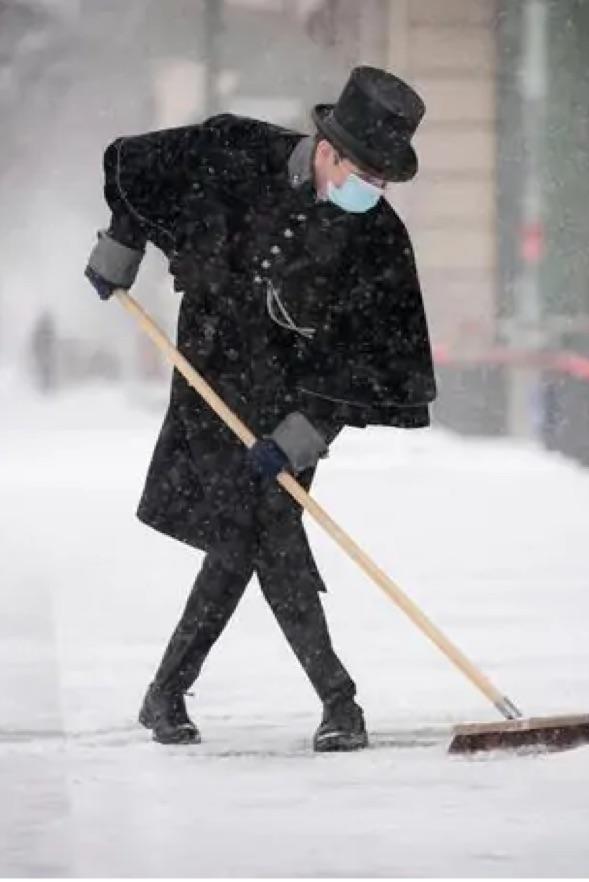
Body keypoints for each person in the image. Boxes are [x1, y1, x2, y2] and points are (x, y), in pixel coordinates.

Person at [84, 66, 436, 751]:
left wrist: (304, 433)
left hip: (291, 399)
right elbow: (135, 166)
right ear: (328, 149)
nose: (373, 193)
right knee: (258, 532)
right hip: (212, 369)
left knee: (254, 532)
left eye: (383, 183)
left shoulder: (377, 239)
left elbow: (365, 358)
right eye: (365, 175)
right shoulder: (233, 151)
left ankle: (169, 694)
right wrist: (119, 245)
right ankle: (338, 701)